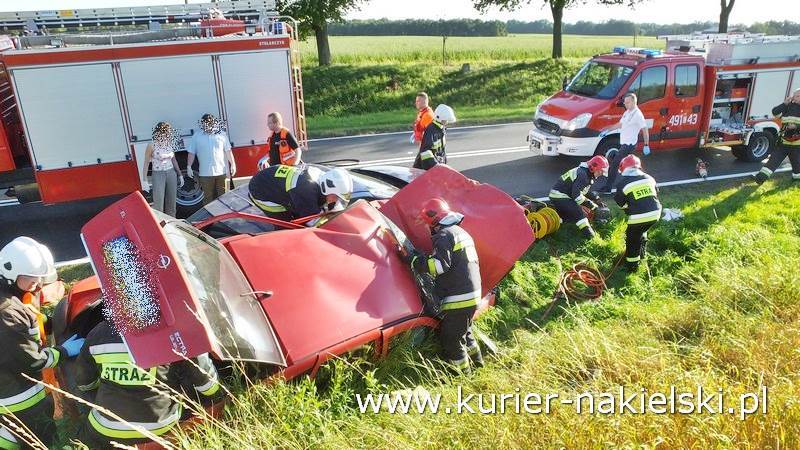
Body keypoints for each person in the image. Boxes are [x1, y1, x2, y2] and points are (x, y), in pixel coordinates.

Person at [75, 320, 222, 449]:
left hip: (104, 428)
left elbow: (84, 383)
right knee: (217, 399)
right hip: (160, 429)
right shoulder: (180, 333)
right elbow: (210, 388)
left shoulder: (99, 332)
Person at [0, 237, 85, 450]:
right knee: (40, 442)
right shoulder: (6, 313)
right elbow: (32, 361)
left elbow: (23, 328)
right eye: (33, 279)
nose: (38, 285)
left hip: (10, 394)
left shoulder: (10, 296)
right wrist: (63, 351)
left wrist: (45, 323)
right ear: (12, 272)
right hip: (20, 399)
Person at [410, 198, 483, 372]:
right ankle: (478, 363)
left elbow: (439, 266)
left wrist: (416, 261)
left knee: (451, 339)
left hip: (459, 297)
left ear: (433, 223)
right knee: (465, 332)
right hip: (472, 294)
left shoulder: (443, 235)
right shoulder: (459, 232)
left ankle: (462, 376)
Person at [248, 165, 353, 222]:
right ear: (327, 188)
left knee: (299, 211)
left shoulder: (319, 177)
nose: (336, 201)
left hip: (271, 179)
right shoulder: (306, 191)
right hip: (260, 191)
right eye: (336, 197)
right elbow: (313, 221)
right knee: (285, 225)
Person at [613, 155, 662, 272]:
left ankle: (632, 266)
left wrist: (629, 208)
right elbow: (656, 193)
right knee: (642, 230)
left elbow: (620, 203)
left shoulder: (622, 184)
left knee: (632, 240)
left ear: (623, 168)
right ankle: (642, 253)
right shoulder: (649, 178)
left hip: (638, 217)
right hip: (655, 213)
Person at [597, 93, 651, 193]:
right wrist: (608, 130)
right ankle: (641, 182)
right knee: (629, 166)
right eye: (625, 102)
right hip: (624, 143)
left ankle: (608, 188)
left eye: (628, 102)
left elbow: (645, 129)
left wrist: (646, 145)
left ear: (634, 102)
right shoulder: (627, 112)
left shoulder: (638, 115)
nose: (625, 104)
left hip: (629, 145)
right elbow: (620, 124)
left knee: (614, 165)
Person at [549, 156, 609, 239]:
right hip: (560, 196)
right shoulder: (583, 175)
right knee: (579, 213)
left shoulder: (585, 173)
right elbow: (577, 196)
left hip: (562, 195)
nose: (601, 174)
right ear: (593, 168)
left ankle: (560, 222)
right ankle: (591, 237)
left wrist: (596, 199)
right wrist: (593, 207)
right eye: (600, 171)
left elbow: (584, 191)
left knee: (571, 214)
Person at [186, 114, 236, 205]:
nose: (208, 127)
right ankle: (210, 218)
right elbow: (191, 153)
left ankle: (223, 218)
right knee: (208, 199)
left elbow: (228, 151)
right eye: (206, 124)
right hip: (205, 174)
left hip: (221, 172)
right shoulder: (197, 136)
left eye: (210, 124)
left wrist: (233, 164)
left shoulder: (221, 135)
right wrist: (189, 166)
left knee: (223, 198)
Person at [753, 88, 800, 184]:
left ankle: (796, 180)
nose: (794, 98)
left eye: (797, 96)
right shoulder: (788, 106)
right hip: (784, 142)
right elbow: (775, 113)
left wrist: (796, 126)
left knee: (797, 164)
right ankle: (760, 178)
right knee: (773, 160)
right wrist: (784, 104)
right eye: (795, 95)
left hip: (797, 145)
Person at [140, 122, 184, 217]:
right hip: (158, 174)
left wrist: (180, 174)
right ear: (158, 133)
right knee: (158, 203)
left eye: (168, 133)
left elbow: (174, 160)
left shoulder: (169, 144)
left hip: (171, 173)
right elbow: (146, 162)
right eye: (164, 133)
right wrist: (144, 180)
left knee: (171, 202)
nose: (166, 135)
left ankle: (172, 223)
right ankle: (159, 224)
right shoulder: (151, 145)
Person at [414, 104, 456, 170]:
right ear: (441, 119)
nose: (447, 122)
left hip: (435, 167)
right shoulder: (431, 130)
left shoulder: (441, 129)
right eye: (446, 120)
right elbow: (425, 152)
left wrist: (444, 163)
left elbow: (442, 151)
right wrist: (435, 165)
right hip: (424, 170)